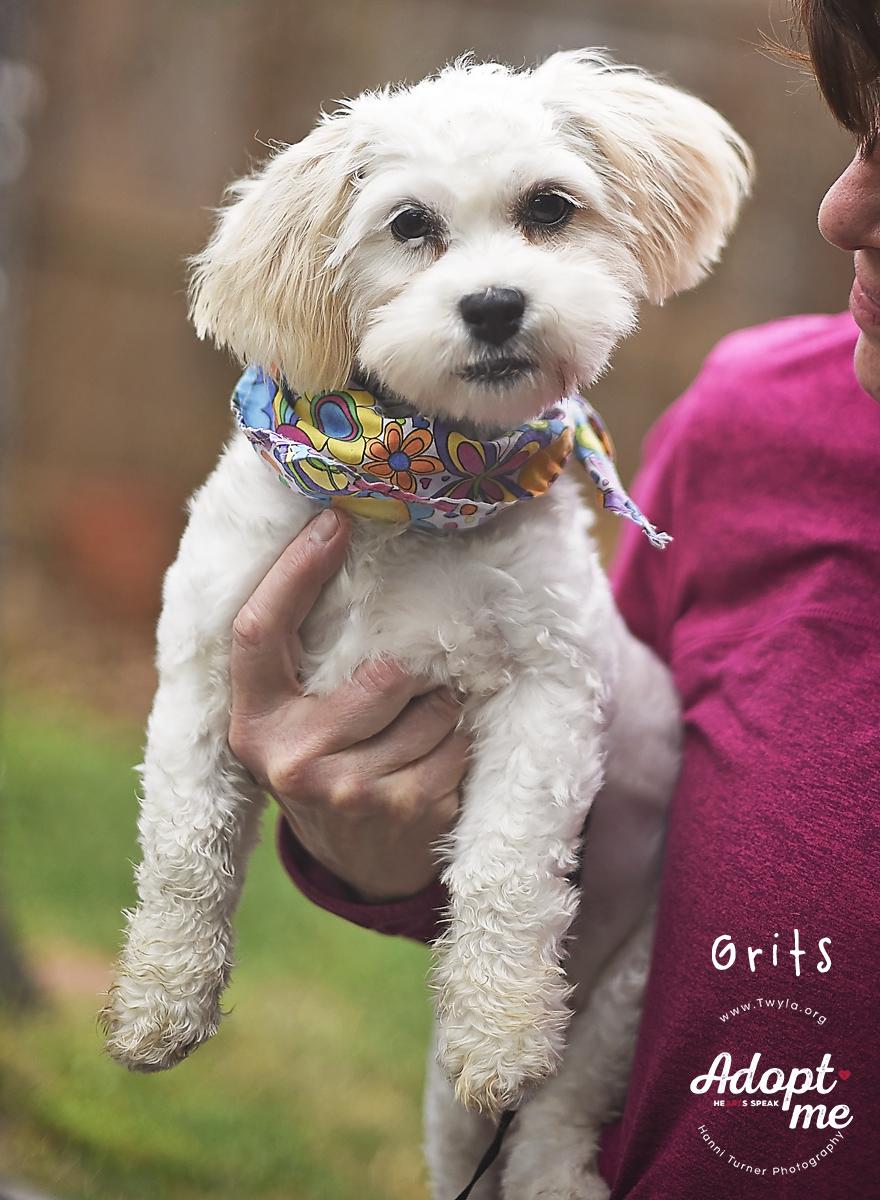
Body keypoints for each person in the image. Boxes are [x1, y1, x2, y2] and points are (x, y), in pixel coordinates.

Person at [226, 3, 880, 1195]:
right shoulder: (744, 427)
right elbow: (592, 814)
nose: (840, 207)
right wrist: (384, 853)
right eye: (860, 131)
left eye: (546, 212)